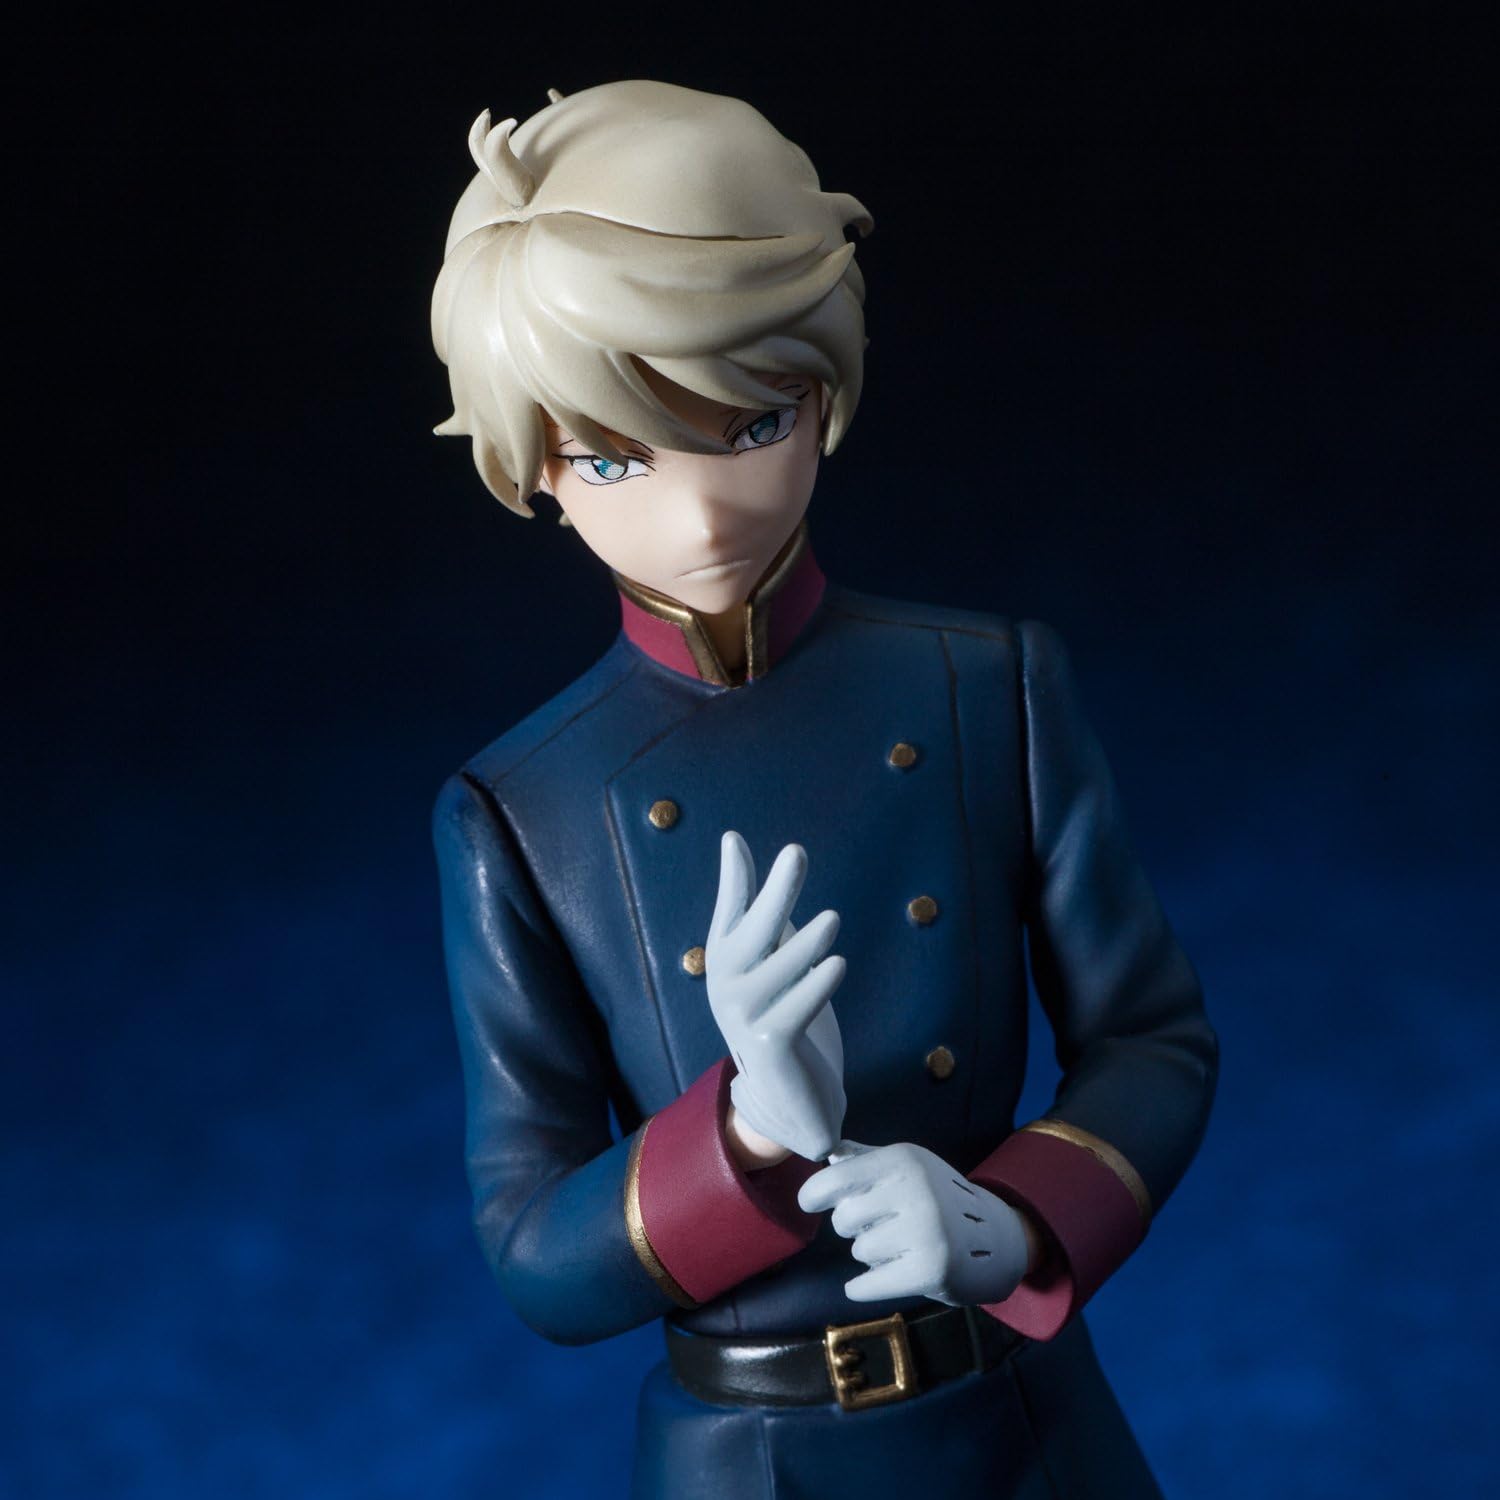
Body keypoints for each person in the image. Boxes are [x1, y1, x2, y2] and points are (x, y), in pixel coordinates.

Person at [430, 79, 1217, 1499]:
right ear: (534, 467)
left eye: (752, 424)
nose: (701, 510)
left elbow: (1151, 1038)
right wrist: (747, 1132)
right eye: (612, 455)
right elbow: (535, 1256)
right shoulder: (519, 810)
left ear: (824, 389)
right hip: (750, 1461)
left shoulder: (984, 684)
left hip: (1026, 1423)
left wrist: (1010, 1224)